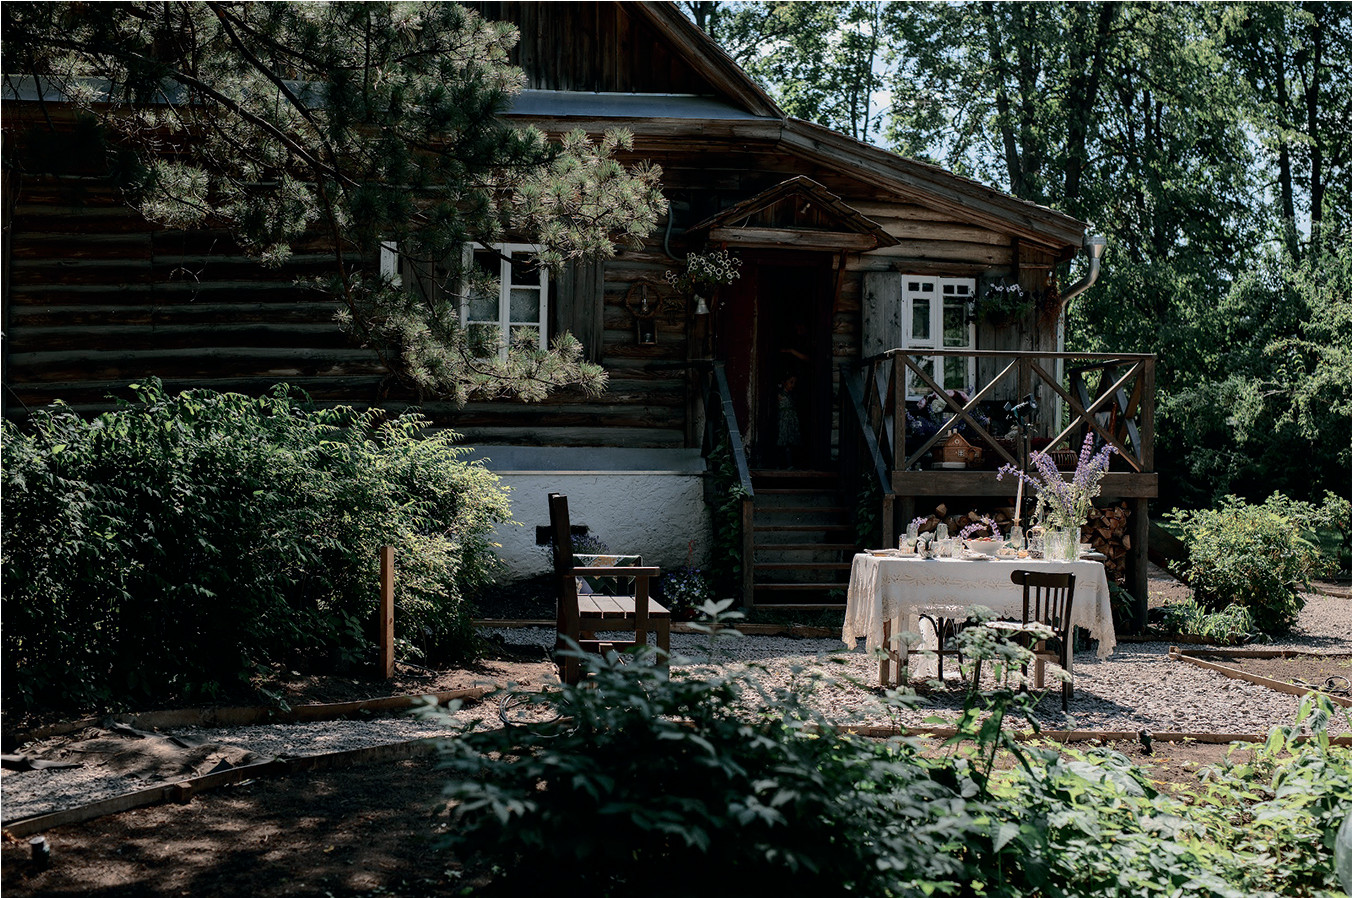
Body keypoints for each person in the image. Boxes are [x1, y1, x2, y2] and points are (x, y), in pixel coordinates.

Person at [777, 375, 802, 468]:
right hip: (784, 421)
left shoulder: (792, 396)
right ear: (785, 382)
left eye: (794, 383)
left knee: (791, 442)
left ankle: (790, 464)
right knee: (784, 442)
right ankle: (781, 464)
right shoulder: (781, 395)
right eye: (791, 382)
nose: (793, 385)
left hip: (791, 421)